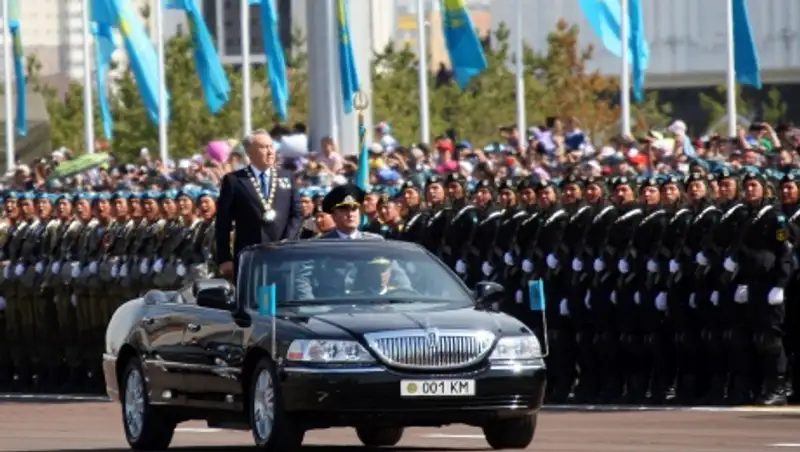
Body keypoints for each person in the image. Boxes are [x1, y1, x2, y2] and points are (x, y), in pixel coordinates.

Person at [215, 129, 303, 278]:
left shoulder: (287, 177)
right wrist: (224, 258)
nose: (270, 152)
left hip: (282, 254)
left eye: (271, 146)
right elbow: (223, 222)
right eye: (263, 147)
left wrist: (288, 240)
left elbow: (297, 213)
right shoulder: (234, 180)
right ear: (249, 152)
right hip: (250, 255)